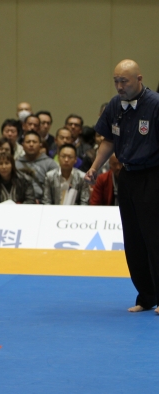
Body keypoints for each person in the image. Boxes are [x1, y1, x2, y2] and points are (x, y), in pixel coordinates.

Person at [87, 59, 159, 314]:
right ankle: (146, 297)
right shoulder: (115, 105)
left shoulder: (155, 104)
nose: (119, 86)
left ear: (139, 79)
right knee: (133, 240)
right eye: (116, 81)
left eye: (124, 81)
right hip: (127, 176)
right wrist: (95, 167)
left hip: (152, 176)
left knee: (155, 239)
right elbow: (108, 140)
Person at [15, 131, 58, 203]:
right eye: (28, 142)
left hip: (44, 203)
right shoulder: (15, 164)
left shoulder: (50, 164)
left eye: (34, 142)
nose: (31, 144)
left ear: (40, 145)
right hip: (22, 203)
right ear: (23, 145)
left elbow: (55, 188)